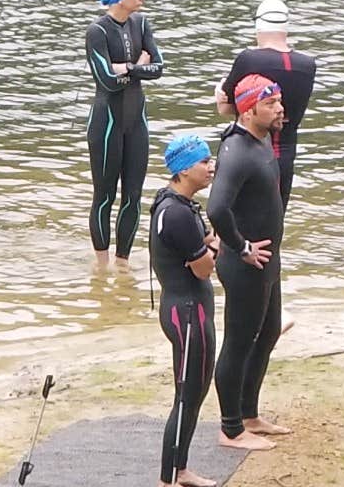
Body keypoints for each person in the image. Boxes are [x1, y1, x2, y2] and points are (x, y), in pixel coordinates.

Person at [207, 77, 289, 451]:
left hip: (266, 262)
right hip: (246, 265)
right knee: (239, 343)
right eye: (270, 104)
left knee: (269, 331)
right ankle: (230, 429)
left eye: (279, 103)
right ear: (248, 108)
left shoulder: (259, 141)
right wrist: (240, 248)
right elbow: (217, 208)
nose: (279, 109)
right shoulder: (238, 150)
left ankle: (249, 413)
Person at [151, 133, 220, 487]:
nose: (211, 167)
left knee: (193, 393)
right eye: (203, 162)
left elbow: (205, 242)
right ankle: (168, 478)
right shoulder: (176, 214)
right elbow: (204, 267)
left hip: (187, 309)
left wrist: (214, 244)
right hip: (187, 314)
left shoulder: (176, 203)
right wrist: (216, 250)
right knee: (188, 395)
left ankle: (180, 470)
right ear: (182, 170)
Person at [85, 0, 163, 264]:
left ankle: (123, 264)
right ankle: (101, 264)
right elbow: (105, 80)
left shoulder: (141, 23)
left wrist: (126, 68)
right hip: (106, 123)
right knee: (104, 196)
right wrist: (138, 65)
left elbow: (159, 67)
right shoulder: (97, 31)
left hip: (136, 121)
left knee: (133, 195)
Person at [223, 0, 318, 207]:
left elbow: (226, 104)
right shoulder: (308, 65)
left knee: (241, 222)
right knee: (275, 223)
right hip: (286, 151)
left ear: (258, 26)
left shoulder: (249, 59)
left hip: (250, 151)